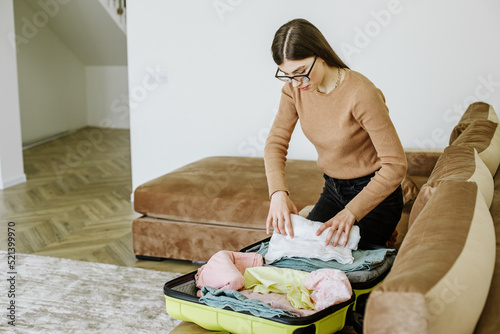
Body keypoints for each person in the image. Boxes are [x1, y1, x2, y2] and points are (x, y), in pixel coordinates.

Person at [264, 18, 407, 249]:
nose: (297, 82)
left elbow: (396, 165)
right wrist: (278, 193)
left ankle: (384, 236)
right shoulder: (293, 89)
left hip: (375, 195)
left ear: (320, 55)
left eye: (301, 72)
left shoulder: (361, 93)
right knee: (300, 251)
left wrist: (351, 212)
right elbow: (275, 143)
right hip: (333, 189)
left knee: (336, 263)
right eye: (287, 75)